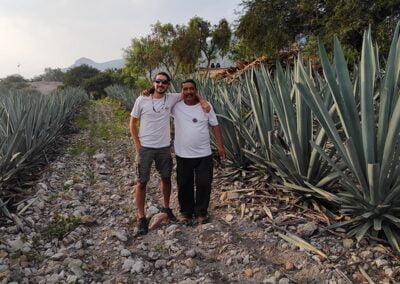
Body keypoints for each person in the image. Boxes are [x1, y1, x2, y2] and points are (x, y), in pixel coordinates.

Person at [130, 72, 209, 235]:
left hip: (164, 148)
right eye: (158, 81)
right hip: (145, 148)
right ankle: (141, 218)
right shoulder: (142, 100)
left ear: (168, 85)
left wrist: (202, 100)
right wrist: (138, 145)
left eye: (164, 82)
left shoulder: (172, 98)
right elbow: (132, 123)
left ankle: (166, 208)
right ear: (153, 83)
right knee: (142, 182)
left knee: (166, 179)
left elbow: (189, 92)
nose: (161, 84)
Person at [172, 79, 225, 224]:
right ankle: (186, 213)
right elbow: (161, 98)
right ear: (181, 91)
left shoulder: (206, 107)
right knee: (184, 184)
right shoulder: (175, 106)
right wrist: (148, 92)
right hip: (183, 154)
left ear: (196, 90)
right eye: (185, 89)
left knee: (204, 183)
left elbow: (215, 126)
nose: (189, 92)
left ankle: (201, 212)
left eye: (191, 89)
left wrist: (220, 147)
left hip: (204, 154)